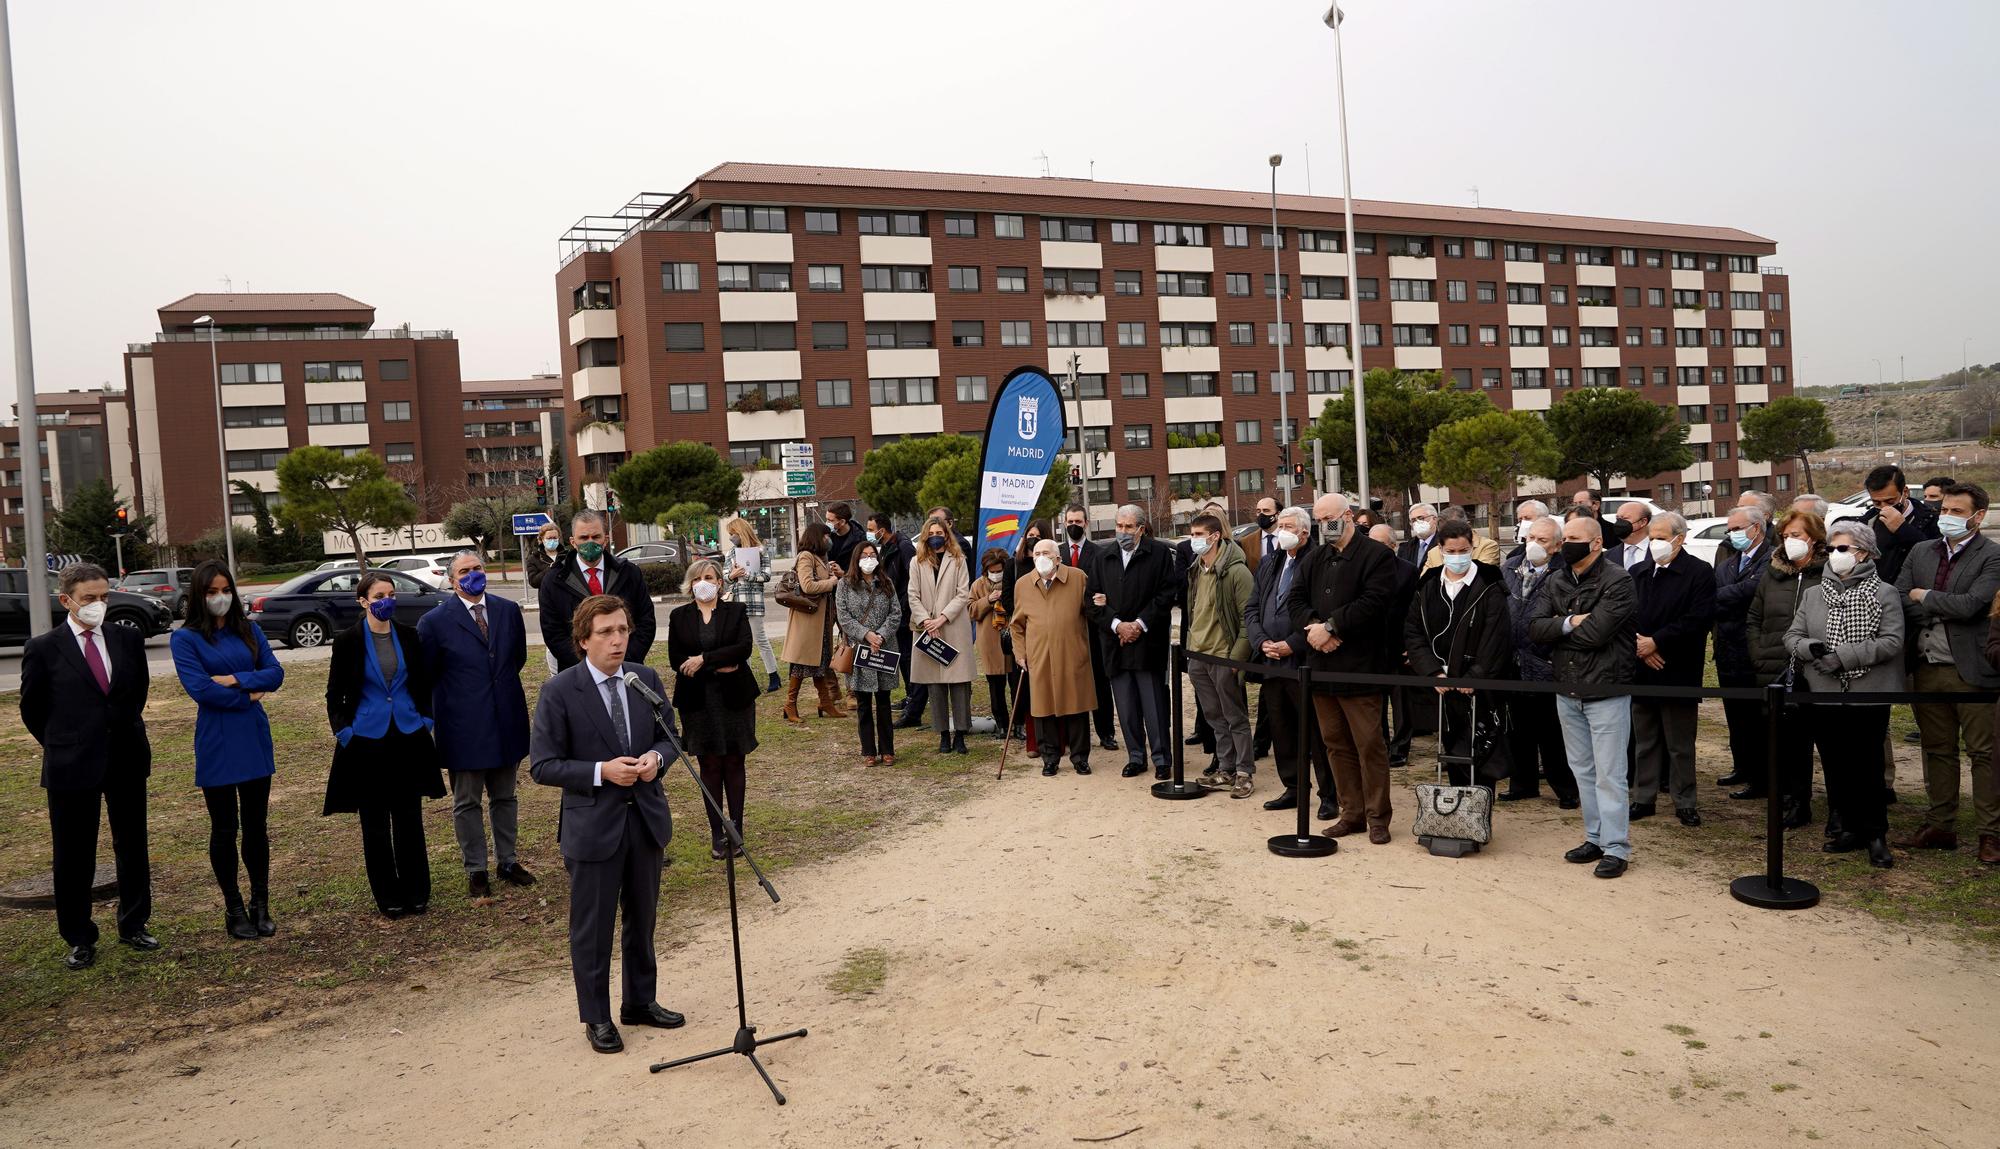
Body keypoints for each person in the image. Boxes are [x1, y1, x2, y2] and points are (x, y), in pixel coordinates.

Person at [528, 594, 684, 1054]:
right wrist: (601, 772)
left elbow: (670, 735)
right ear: (583, 641)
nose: (617, 641)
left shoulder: (644, 679)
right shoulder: (559, 691)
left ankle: (640, 1001)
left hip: (645, 819)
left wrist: (658, 758)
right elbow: (543, 765)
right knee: (593, 929)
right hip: (593, 827)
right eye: (606, 633)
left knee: (643, 918)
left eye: (622, 631)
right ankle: (596, 1016)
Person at [19, 561, 154, 969]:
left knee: (132, 845)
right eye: (89, 599)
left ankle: (134, 925)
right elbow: (33, 709)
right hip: (71, 763)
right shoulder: (43, 648)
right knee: (73, 853)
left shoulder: (127, 640)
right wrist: (64, 743)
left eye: (103, 596)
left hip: (125, 758)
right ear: (67, 601)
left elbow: (136, 695)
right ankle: (79, 937)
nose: (98, 604)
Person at [170, 560, 284, 937]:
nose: (220, 597)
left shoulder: (249, 630)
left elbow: (275, 673)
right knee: (224, 828)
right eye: (211, 591)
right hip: (217, 738)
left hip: (253, 736)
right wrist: (249, 696)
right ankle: (233, 908)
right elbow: (200, 689)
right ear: (199, 596)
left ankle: (260, 904)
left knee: (256, 827)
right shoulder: (185, 638)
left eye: (225, 590)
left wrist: (237, 678)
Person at [327, 572, 447, 918]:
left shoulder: (409, 636)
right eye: (379, 595)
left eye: (391, 594)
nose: (387, 601)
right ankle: (389, 896)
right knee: (375, 824)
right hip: (366, 740)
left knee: (409, 819)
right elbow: (335, 694)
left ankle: (417, 892)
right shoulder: (348, 640)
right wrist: (344, 732)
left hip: (408, 736)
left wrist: (426, 719)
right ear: (363, 601)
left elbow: (423, 685)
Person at [1785, 522, 1902, 869]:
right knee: (1836, 763)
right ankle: (1846, 827)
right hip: (1823, 691)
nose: (1834, 555)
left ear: (1863, 553)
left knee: (1868, 764)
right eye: (1832, 549)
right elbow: (1792, 636)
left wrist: (1845, 656)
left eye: (1842, 549)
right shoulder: (1813, 594)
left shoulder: (1884, 593)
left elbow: (1892, 641)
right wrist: (1812, 648)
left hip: (1869, 693)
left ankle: (1875, 834)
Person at [1894, 481, 2000, 862]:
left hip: (1971, 670)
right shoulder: (1922, 550)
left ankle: (1991, 833)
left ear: (1978, 516)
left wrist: (1926, 597)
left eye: (1957, 512)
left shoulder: (1993, 556)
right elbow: (1901, 597)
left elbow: (1974, 605)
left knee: (1984, 754)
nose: (1948, 518)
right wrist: (1935, 602)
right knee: (1937, 750)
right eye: (1944, 511)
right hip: (1927, 666)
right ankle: (1941, 825)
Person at [1527, 516, 1638, 879]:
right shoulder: (1556, 578)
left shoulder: (1618, 580)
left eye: (1574, 537)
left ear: (1594, 543)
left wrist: (1560, 626)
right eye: (1565, 537)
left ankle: (1616, 847)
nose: (1566, 543)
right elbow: (1533, 628)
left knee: (1610, 774)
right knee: (1583, 772)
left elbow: (1598, 635)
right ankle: (1595, 837)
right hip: (1566, 688)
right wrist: (1571, 622)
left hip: (1606, 689)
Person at [419, 550, 534, 900]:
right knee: (466, 802)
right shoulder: (435, 622)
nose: (474, 575)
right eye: (465, 571)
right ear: (453, 580)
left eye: (478, 568)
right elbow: (428, 674)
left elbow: (517, 659)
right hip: (462, 727)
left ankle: (508, 861)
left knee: (505, 796)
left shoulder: (508, 610)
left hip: (505, 720)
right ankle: (476, 868)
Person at [1287, 493, 1400, 843]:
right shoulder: (1316, 557)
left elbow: (1375, 601)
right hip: (1321, 666)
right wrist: (1314, 628)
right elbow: (1295, 599)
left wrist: (1332, 627)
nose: (1324, 526)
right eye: (1318, 521)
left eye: (1328, 519)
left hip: (1360, 667)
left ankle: (1377, 815)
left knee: (1369, 744)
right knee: (1335, 743)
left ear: (1347, 516)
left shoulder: (1376, 555)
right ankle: (1351, 813)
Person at [1402, 518, 1515, 788]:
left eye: (1462, 551)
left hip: (1478, 685)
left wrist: (1474, 677)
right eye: (1450, 552)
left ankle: (1477, 815)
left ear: (1472, 547)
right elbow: (1413, 631)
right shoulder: (1428, 583)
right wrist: (1431, 671)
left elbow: (1497, 636)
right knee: (1451, 748)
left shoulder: (1490, 583)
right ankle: (1455, 814)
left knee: (1481, 750)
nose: (1457, 557)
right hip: (1442, 683)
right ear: (1440, 549)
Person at [1627, 511, 1716, 827]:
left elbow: (1699, 618)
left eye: (1662, 538)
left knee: (1680, 744)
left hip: (1678, 667)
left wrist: (1658, 642)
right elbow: (1627, 616)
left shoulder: (1699, 572)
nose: (1655, 544)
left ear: (1680, 538)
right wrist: (1642, 647)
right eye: (1652, 537)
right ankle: (1643, 797)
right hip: (1642, 668)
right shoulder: (1638, 572)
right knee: (1645, 740)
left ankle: (1685, 800)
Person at [668, 560, 759, 859]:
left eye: (709, 577)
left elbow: (743, 649)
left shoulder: (736, 611)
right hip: (698, 703)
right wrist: (720, 665)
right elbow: (677, 660)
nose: (703, 582)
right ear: (690, 583)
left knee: (734, 763)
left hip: (735, 700)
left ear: (720, 582)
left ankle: (737, 830)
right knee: (709, 766)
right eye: (698, 578)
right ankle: (717, 833)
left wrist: (704, 660)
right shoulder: (679, 616)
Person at [1251, 508, 1336, 816]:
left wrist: (1292, 644)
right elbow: (1252, 607)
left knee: (1315, 732)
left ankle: (1329, 794)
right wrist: (1261, 641)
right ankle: (1294, 787)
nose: (1280, 530)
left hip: (1304, 662)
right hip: (1271, 663)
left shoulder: (1318, 561)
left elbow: (1320, 612)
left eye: (1287, 526)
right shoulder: (1270, 561)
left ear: (1304, 532)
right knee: (1282, 729)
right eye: (1279, 525)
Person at [1747, 508, 1829, 829]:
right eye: (1785, 535)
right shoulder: (1773, 572)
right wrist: (1758, 652)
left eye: (1797, 535)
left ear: (1814, 537)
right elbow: (1754, 616)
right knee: (1787, 743)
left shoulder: (1827, 572)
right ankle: (1795, 801)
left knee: (1822, 740)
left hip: (1816, 670)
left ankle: (1838, 807)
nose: (1789, 540)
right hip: (1774, 667)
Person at [1091, 505, 1181, 778]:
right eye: (1119, 526)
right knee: (1127, 707)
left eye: (1129, 527)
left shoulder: (1160, 555)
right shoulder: (1103, 557)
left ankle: (1162, 759)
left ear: (1141, 528)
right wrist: (1118, 625)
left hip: (1147, 642)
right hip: (1116, 644)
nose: (1123, 532)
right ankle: (1136, 757)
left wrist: (1138, 625)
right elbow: (1092, 602)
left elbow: (1166, 595)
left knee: (1153, 705)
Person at [1500, 515, 1580, 808]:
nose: (1534, 544)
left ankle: (1566, 788)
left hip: (1546, 661)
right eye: (1531, 537)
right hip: (1513, 661)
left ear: (1558, 545)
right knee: (1517, 729)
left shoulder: (1564, 573)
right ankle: (1522, 783)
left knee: (1552, 732)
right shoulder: (1509, 567)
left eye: (1543, 540)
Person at [1010, 537, 1100, 777]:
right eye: (1037, 552)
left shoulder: (1078, 578)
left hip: (1072, 653)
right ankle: (1050, 758)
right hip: (1039, 656)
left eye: (1047, 553)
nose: (1041, 557)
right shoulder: (1023, 584)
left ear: (1058, 558)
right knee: (1043, 709)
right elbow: (1016, 625)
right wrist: (1020, 653)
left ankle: (1080, 758)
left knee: (1076, 706)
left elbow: (1091, 612)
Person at [1184, 513, 1257, 797]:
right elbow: (1194, 612)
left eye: (1199, 534)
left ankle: (1244, 771)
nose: (1195, 540)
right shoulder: (1195, 569)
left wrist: (1236, 660)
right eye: (1192, 534)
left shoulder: (1236, 571)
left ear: (1214, 536)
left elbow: (1246, 619)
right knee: (1214, 716)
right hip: (1199, 655)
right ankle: (1225, 768)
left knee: (1234, 715)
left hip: (1224, 656)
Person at [538, 510, 656, 671]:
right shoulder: (554, 580)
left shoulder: (629, 573)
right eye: (584, 538)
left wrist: (623, 660)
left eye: (596, 537)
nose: (590, 542)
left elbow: (645, 621)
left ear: (605, 540)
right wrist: (589, 667)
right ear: (573, 541)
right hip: (577, 675)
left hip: (626, 669)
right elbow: (553, 633)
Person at [1712, 506, 1775, 801]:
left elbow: (1752, 592)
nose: (1732, 534)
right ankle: (1743, 767)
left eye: (1737, 528)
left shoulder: (1772, 557)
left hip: (1754, 649)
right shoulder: (1728, 562)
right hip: (1727, 649)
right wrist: (1729, 596)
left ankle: (1763, 778)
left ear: (1757, 528)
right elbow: (1723, 595)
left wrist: (1725, 596)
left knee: (1758, 719)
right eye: (1730, 529)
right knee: (1736, 715)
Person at [909, 513, 977, 754]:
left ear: (946, 535)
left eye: (940, 534)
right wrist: (927, 621)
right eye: (932, 534)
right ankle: (943, 735)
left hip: (953, 627)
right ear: (925, 536)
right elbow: (913, 595)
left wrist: (942, 618)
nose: (936, 538)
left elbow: (963, 594)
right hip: (929, 631)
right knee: (935, 686)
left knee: (959, 685)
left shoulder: (958, 559)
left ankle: (960, 734)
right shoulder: (916, 562)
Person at [837, 540, 904, 766]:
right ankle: (868, 750)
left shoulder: (886, 582)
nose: (868, 559)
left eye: (872, 554)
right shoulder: (845, 585)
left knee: (884, 701)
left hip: (884, 647)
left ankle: (888, 749)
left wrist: (881, 635)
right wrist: (867, 634)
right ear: (856, 559)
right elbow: (844, 617)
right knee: (864, 702)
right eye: (864, 555)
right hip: (860, 648)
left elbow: (896, 613)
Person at [1063, 504, 1118, 751]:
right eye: (1069, 521)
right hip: (1067, 629)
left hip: (1094, 628)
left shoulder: (1099, 553)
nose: (1073, 525)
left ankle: (1106, 732)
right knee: (1072, 682)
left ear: (1086, 523)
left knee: (1100, 681)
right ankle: (1073, 734)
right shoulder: (1058, 553)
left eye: (1078, 520)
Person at [780, 521, 846, 725]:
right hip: (807, 620)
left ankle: (825, 702)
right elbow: (808, 586)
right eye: (826, 536)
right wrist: (833, 582)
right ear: (818, 537)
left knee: (819, 662)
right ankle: (790, 704)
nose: (829, 540)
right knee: (801, 664)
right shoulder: (806, 557)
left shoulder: (819, 557)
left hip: (819, 621)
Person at [1375, 521, 1423, 768]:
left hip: (1399, 646)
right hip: (1372, 648)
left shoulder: (1408, 570)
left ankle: (1400, 747)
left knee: (1402, 702)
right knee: (1376, 702)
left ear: (1393, 546)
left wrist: (1412, 646)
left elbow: (1415, 611)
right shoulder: (1362, 570)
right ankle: (1380, 744)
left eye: (1380, 543)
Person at [723, 517, 782, 695]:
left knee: (760, 639)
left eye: (733, 534)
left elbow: (766, 575)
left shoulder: (761, 551)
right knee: (742, 641)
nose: (731, 537)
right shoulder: (730, 553)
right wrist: (732, 575)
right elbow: (725, 577)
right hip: (736, 602)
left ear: (741, 532)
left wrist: (747, 574)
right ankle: (746, 677)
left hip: (754, 600)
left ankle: (774, 676)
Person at [1859, 463, 1940, 584]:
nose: (1884, 507)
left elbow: (1935, 556)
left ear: (1905, 492)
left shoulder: (1931, 519)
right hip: (1878, 593)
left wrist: (1903, 529)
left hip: (1911, 594)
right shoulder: (1868, 520)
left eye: (1890, 501)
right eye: (1876, 503)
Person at [1007, 519, 1050, 740]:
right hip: (1023, 632)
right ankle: (1021, 724)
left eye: (1038, 535)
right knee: (1021, 685)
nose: (1033, 539)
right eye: (1030, 535)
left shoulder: (1050, 565)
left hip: (1047, 634)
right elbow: (1007, 599)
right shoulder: (1014, 564)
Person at [969, 547, 1016, 739]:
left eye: (999, 571)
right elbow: (971, 610)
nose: (996, 575)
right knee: (995, 687)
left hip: (1011, 638)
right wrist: (988, 600)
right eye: (993, 571)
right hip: (989, 640)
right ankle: (1002, 724)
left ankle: (1018, 723)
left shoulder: (1013, 582)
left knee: (1015, 683)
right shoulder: (978, 585)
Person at [1416, 506, 1503, 570]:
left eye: (1455, 531)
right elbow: (1424, 583)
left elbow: (1481, 576)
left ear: (1468, 526)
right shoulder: (1433, 553)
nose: (1450, 537)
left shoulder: (1487, 546)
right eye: (1444, 533)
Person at [1612, 501, 1654, 571]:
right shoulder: (1607, 557)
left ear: (1643, 522)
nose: (1619, 523)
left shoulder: (1659, 551)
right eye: (1617, 519)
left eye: (1625, 518)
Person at [1400, 503, 1441, 570]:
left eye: (1421, 518)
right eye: (1413, 520)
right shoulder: (1405, 548)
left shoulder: (1445, 544)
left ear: (1434, 519)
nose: (1417, 523)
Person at [527, 521, 565, 590]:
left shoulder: (567, 555)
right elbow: (533, 582)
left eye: (555, 538)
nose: (552, 540)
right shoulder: (534, 558)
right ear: (542, 539)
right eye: (549, 538)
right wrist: (550, 569)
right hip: (547, 597)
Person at [824, 501, 861, 572]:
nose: (827, 523)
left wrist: (843, 574)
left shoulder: (859, 539)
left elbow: (860, 569)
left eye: (830, 520)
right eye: (826, 519)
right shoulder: (825, 536)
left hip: (849, 581)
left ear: (842, 522)